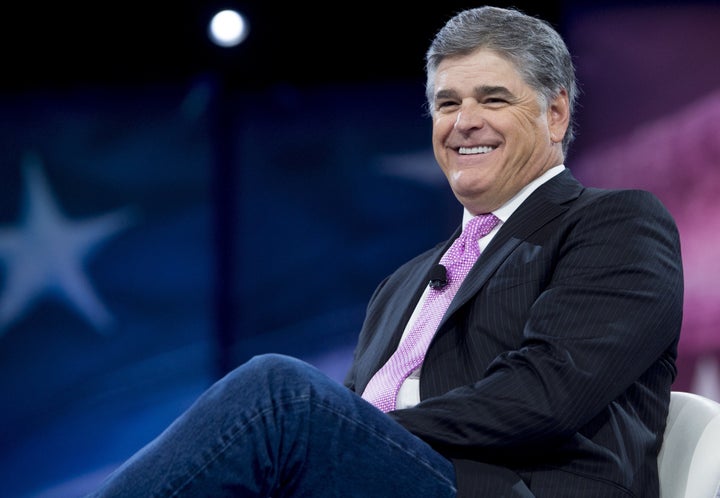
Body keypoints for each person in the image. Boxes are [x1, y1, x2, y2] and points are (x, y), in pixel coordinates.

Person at [87, 5, 683, 498]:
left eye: (493, 99)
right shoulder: (404, 283)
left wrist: (355, 429)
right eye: (447, 104)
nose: (464, 122)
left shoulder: (614, 223)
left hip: (509, 490)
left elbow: (545, 395)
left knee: (278, 395)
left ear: (555, 114)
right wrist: (341, 434)